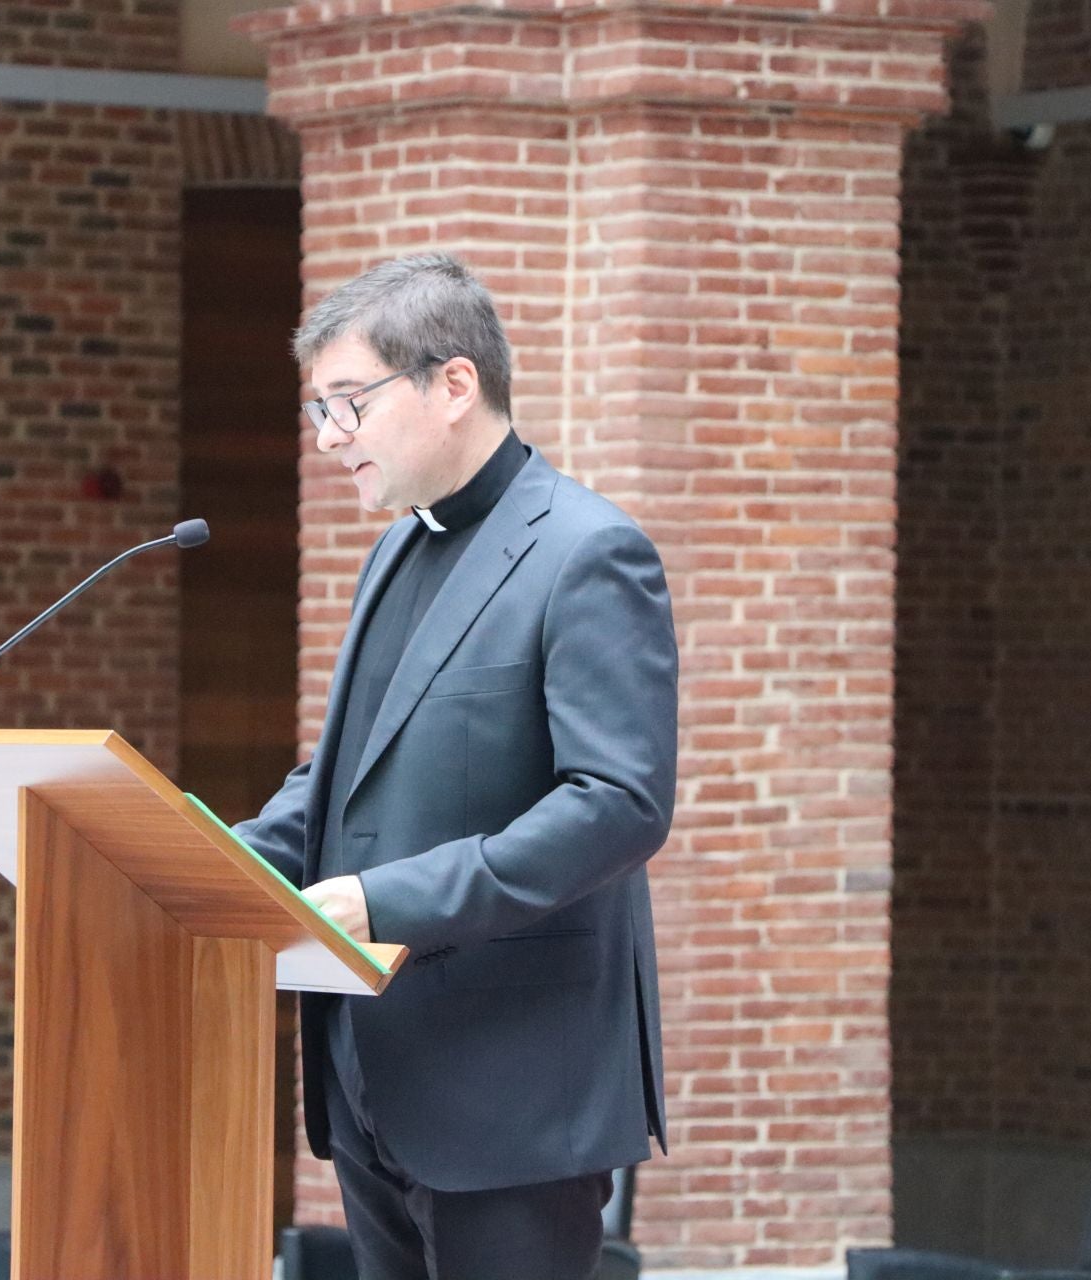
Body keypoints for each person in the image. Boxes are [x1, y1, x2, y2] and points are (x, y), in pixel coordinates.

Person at [234, 253, 678, 1280]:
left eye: (348, 403)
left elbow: (618, 804)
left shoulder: (589, 551)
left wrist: (382, 901)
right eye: (317, 411)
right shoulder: (394, 550)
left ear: (453, 384)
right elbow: (344, 775)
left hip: (514, 1091)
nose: (328, 437)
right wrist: (208, 854)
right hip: (372, 1077)